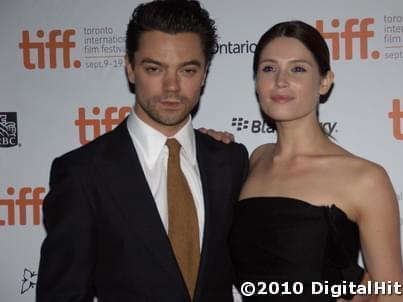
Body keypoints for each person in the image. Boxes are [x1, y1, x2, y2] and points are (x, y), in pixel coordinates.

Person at [36, 1, 249, 301]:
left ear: (204, 74)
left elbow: (253, 268)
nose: (172, 86)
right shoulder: (82, 174)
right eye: (154, 68)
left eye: (187, 69)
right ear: (130, 68)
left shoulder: (230, 161)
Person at [229, 21, 403, 301]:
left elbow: (392, 295)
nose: (281, 80)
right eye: (269, 68)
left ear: (324, 81)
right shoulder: (256, 159)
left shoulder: (365, 178)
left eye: (298, 69)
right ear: (256, 82)